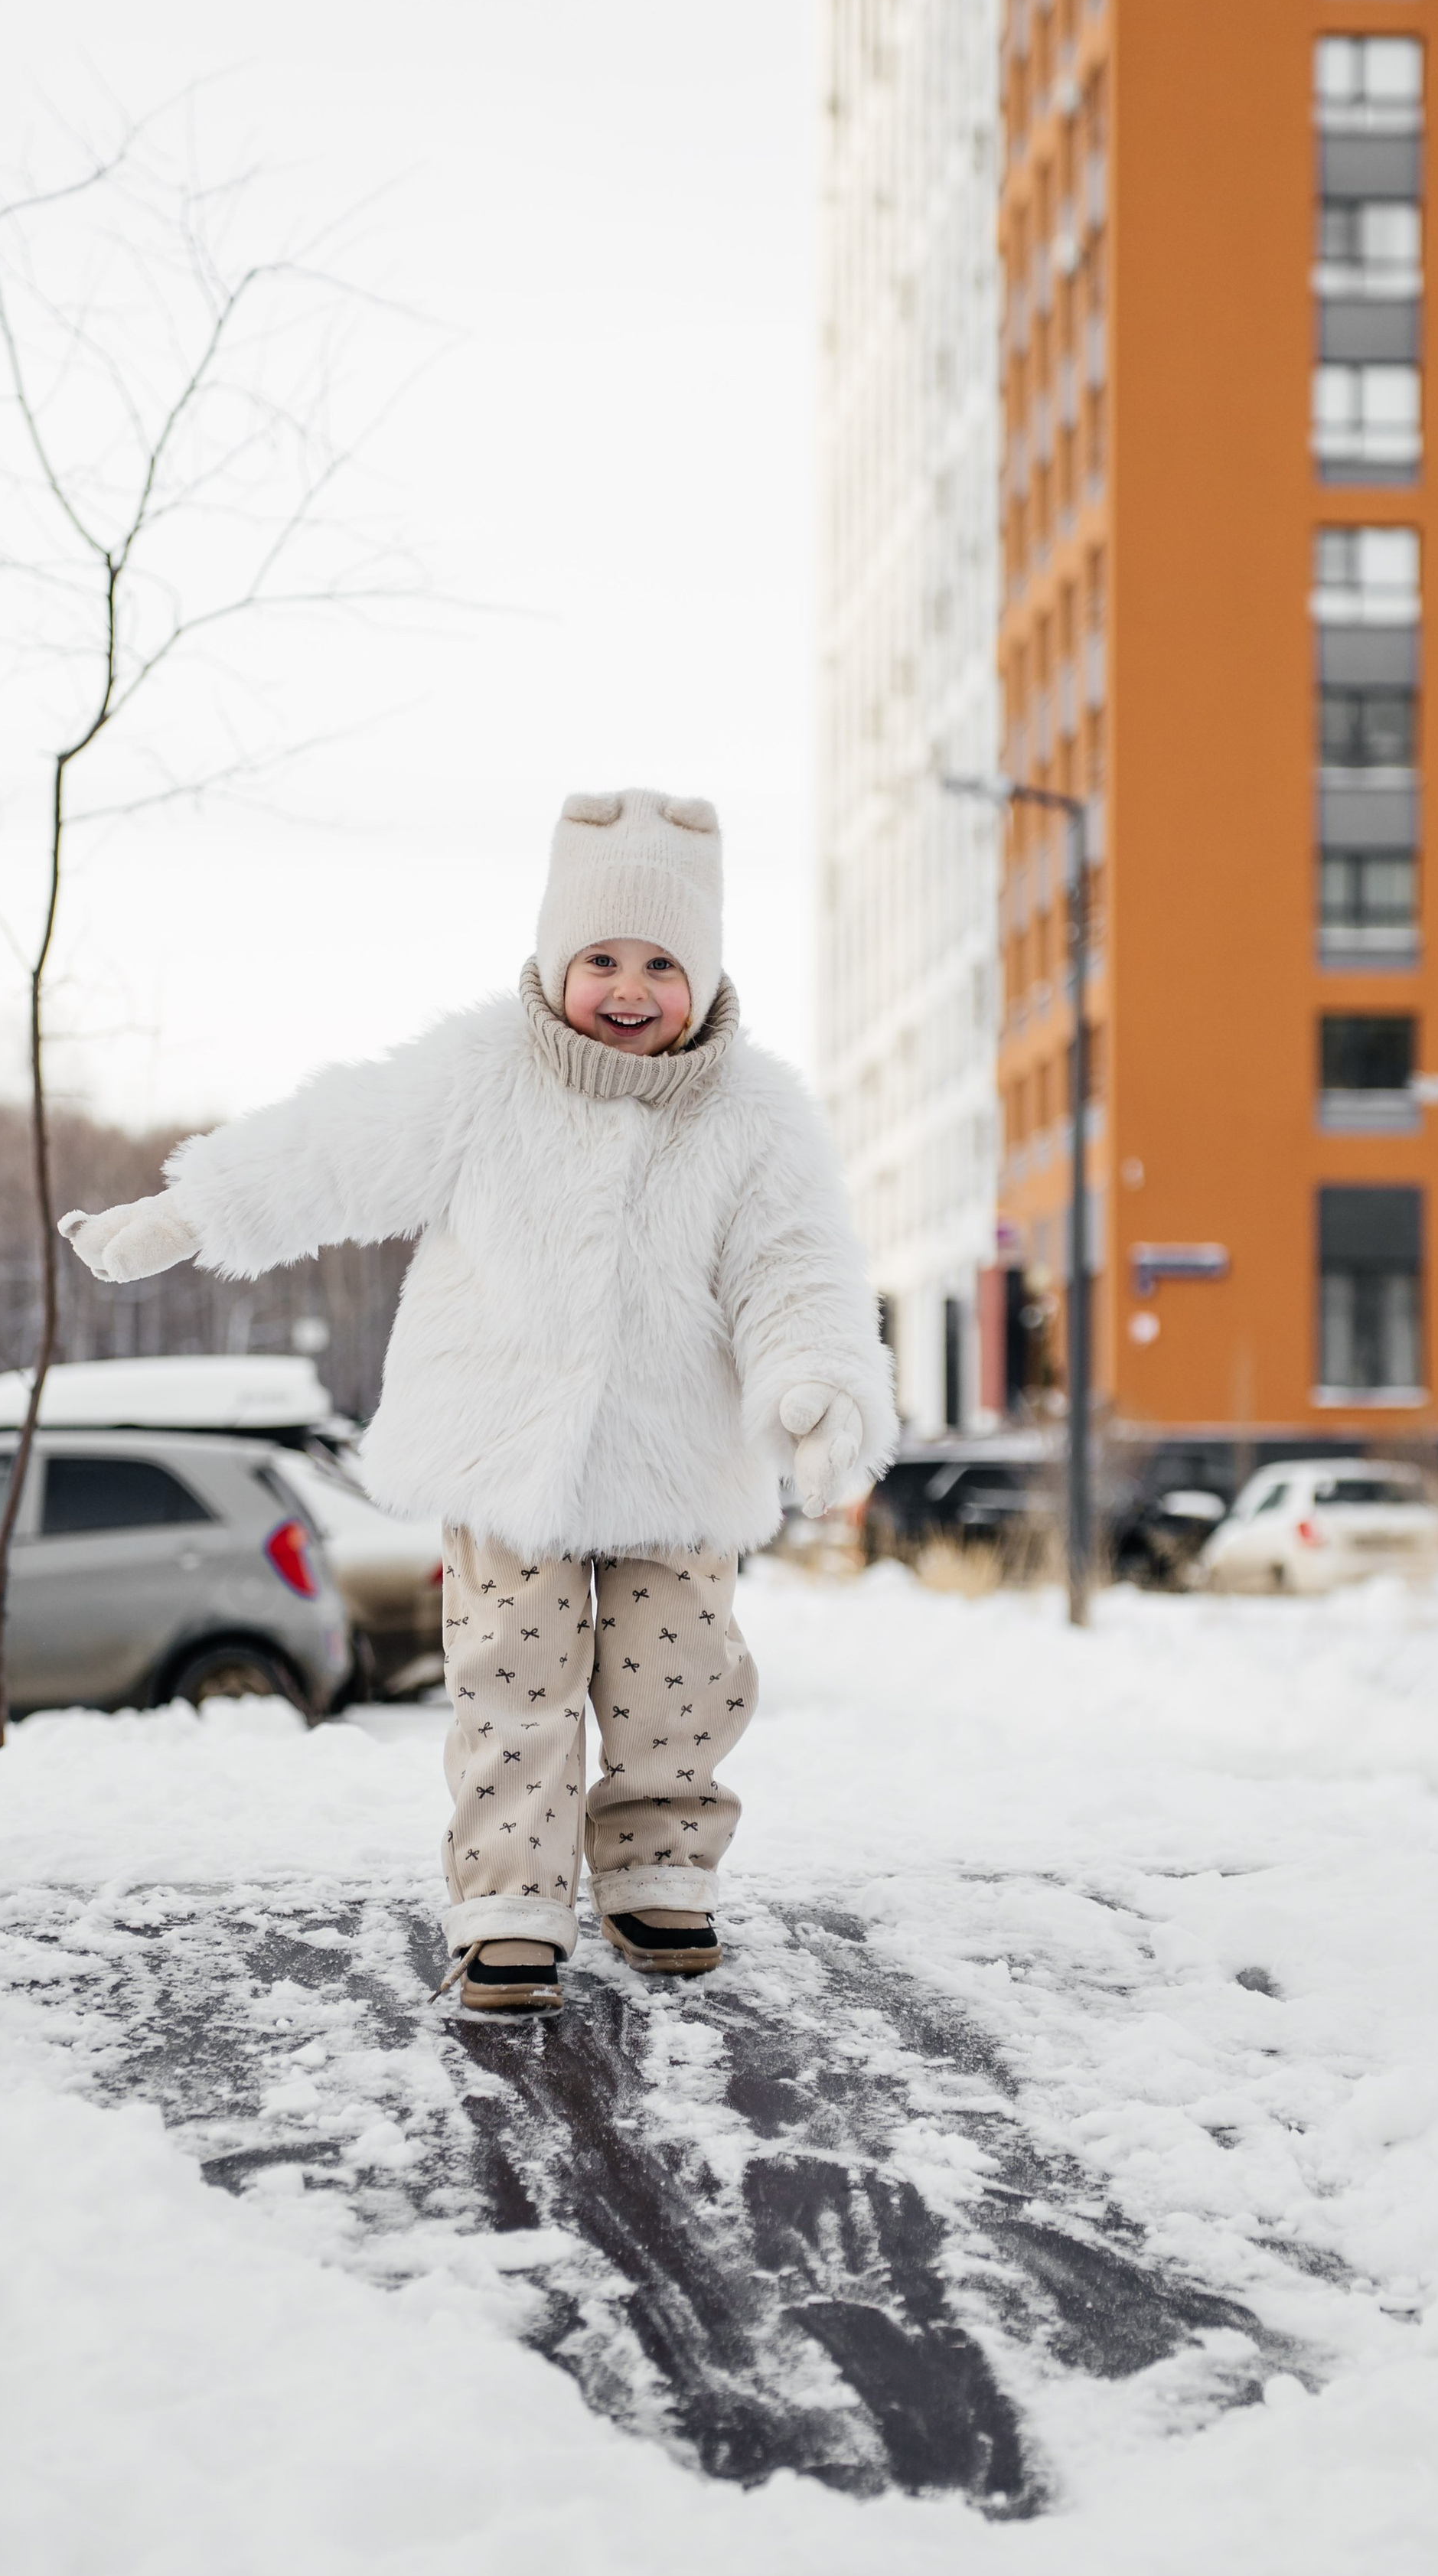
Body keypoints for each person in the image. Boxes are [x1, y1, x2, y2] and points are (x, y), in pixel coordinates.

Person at [60, 789, 895, 2015]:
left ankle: (660, 1863)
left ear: (705, 974)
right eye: (600, 958)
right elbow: (332, 1145)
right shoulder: (479, 1076)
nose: (627, 986)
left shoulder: (757, 1112)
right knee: (513, 1674)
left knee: (679, 1681)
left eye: (661, 963)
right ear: (556, 960)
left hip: (678, 1459)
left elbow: (800, 1265)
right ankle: (508, 1899)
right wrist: (195, 1210)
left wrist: (819, 1386)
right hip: (502, 1449)